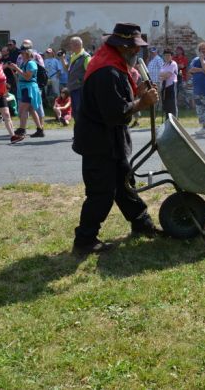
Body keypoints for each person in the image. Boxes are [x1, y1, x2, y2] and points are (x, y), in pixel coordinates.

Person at [72, 22, 159, 254]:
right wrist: (142, 102)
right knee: (101, 193)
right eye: (134, 47)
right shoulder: (107, 71)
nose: (137, 51)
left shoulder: (114, 64)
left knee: (124, 183)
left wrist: (138, 93)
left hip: (111, 139)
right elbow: (115, 113)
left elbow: (119, 99)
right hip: (98, 142)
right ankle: (85, 240)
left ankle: (141, 222)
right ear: (123, 46)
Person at [8, 48, 45, 138]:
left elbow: (28, 77)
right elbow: (19, 75)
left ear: (27, 54)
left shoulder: (31, 63)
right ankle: (39, 130)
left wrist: (16, 67)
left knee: (22, 109)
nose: (20, 54)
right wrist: (13, 69)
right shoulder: (24, 63)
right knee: (31, 109)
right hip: (24, 88)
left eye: (22, 53)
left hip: (29, 88)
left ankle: (22, 129)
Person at [64, 36, 91, 121]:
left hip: (80, 88)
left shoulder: (86, 57)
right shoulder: (74, 55)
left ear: (77, 45)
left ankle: (83, 132)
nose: (70, 46)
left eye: (71, 44)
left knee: (80, 111)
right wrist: (62, 59)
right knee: (75, 112)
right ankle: (78, 132)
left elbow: (90, 73)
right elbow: (68, 69)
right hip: (73, 88)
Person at [159, 49, 179, 119]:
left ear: (171, 56)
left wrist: (163, 75)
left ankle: (174, 120)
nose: (167, 57)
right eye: (165, 55)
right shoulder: (164, 64)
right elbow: (160, 74)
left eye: (168, 55)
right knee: (166, 104)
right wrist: (164, 75)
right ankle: (167, 119)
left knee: (172, 104)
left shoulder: (173, 63)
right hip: (165, 86)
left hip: (172, 85)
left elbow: (168, 75)